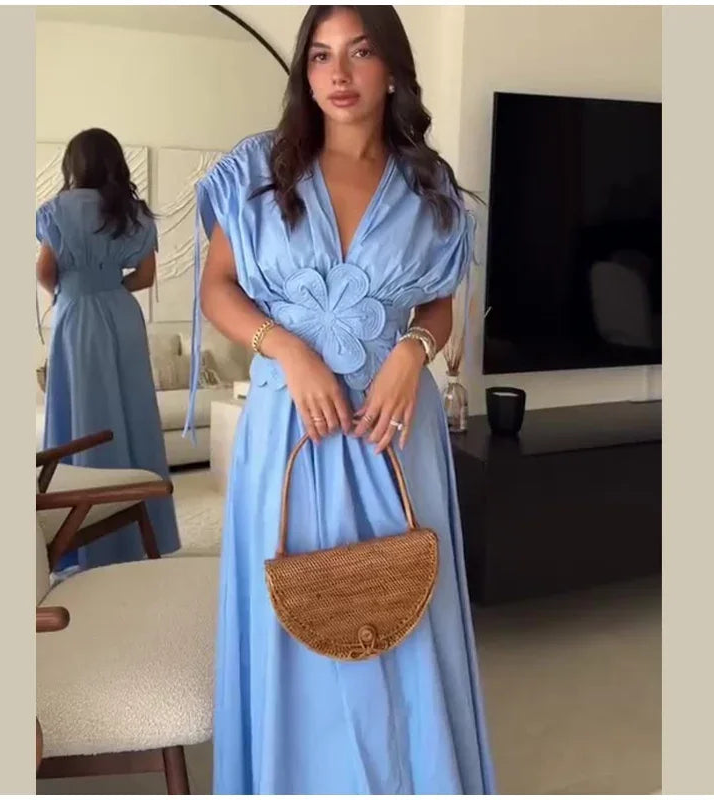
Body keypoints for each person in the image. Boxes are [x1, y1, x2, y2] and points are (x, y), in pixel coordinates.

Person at [186, 6, 496, 794]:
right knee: (295, 606)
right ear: (305, 71)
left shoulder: (428, 186)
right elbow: (217, 288)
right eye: (321, 56)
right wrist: (287, 348)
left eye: (359, 53)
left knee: (405, 607)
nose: (339, 74)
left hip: (393, 427)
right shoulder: (258, 172)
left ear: (391, 69)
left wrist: (413, 351)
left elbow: (440, 302)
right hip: (290, 427)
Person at [36, 128, 180, 570]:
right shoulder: (133, 213)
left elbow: (45, 271)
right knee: (133, 414)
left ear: (73, 165)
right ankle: (142, 530)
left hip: (76, 314)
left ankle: (78, 537)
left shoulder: (57, 210)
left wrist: (70, 291)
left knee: (83, 412)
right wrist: (113, 288)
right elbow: (146, 276)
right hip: (122, 316)